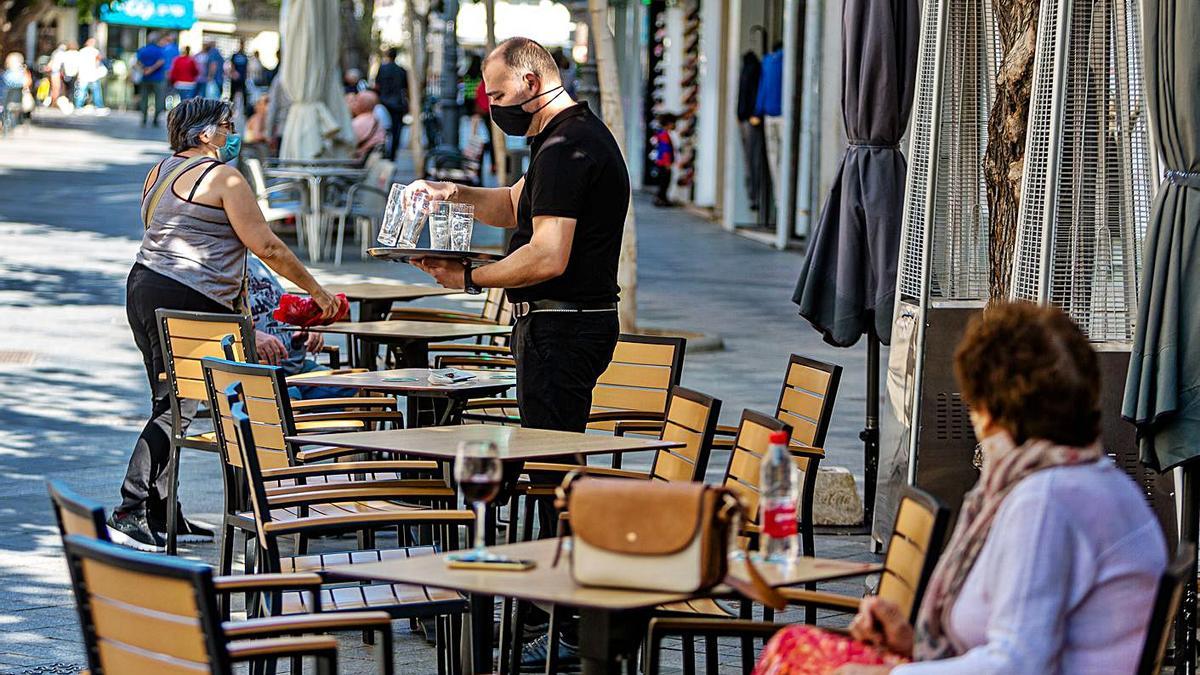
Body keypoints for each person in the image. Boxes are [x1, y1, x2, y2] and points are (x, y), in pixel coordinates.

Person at [756, 302, 1168, 675]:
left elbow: (1018, 663)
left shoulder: (1047, 500)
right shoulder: (1094, 482)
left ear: (992, 413)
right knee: (796, 645)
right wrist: (911, 643)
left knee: (800, 658)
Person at [407, 38, 630, 667]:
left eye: (499, 94)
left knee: (553, 473)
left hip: (565, 327)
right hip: (559, 324)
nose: (492, 105)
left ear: (531, 81)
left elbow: (547, 253)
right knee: (547, 468)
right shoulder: (562, 137)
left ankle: (558, 624)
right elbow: (514, 204)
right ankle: (549, 612)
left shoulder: (567, 144)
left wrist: (469, 279)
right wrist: (452, 194)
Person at [110, 98, 341, 552]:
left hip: (145, 287)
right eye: (225, 126)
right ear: (203, 135)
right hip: (186, 296)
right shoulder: (224, 178)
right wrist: (318, 293)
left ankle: (162, 513)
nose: (232, 133)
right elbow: (267, 247)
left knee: (173, 400)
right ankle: (130, 509)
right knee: (181, 406)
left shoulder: (161, 171)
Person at [245, 257, 357, 400]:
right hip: (265, 375)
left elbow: (282, 309)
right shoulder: (217, 269)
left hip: (299, 367)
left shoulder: (254, 263)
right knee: (288, 409)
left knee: (364, 391)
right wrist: (250, 335)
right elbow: (211, 330)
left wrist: (305, 326)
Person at [375, 47, 409, 160]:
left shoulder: (382, 69)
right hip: (398, 104)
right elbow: (405, 88)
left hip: (385, 102)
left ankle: (384, 152)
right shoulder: (401, 70)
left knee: (383, 128)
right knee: (396, 130)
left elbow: (377, 85)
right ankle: (392, 154)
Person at [135, 33, 169, 126]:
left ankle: (144, 118)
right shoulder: (160, 50)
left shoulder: (143, 50)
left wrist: (144, 69)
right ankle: (155, 119)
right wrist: (151, 69)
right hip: (158, 78)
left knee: (144, 98)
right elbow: (161, 61)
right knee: (159, 99)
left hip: (145, 78)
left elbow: (137, 62)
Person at [651, 112, 677, 207]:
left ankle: (662, 198)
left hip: (663, 161)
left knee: (664, 181)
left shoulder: (663, 134)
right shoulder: (664, 134)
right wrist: (667, 163)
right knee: (664, 181)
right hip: (664, 162)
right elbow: (665, 149)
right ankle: (661, 199)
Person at [350, 90, 386, 160]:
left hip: (358, 162)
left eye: (356, 101)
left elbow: (347, 143)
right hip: (369, 160)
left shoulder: (359, 122)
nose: (353, 104)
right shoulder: (376, 119)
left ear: (362, 104)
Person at [74, 38, 106, 112]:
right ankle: (99, 106)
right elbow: (98, 63)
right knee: (96, 91)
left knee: (81, 91)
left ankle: (78, 106)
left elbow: (78, 63)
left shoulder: (81, 51)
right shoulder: (95, 52)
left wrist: (78, 73)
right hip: (93, 74)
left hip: (83, 74)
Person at [228, 42, 249, 114]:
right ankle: (230, 109)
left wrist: (246, 76)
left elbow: (246, 68)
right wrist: (233, 73)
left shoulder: (245, 56)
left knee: (244, 94)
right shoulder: (235, 55)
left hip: (242, 79)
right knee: (232, 95)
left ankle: (245, 110)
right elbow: (232, 65)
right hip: (235, 78)